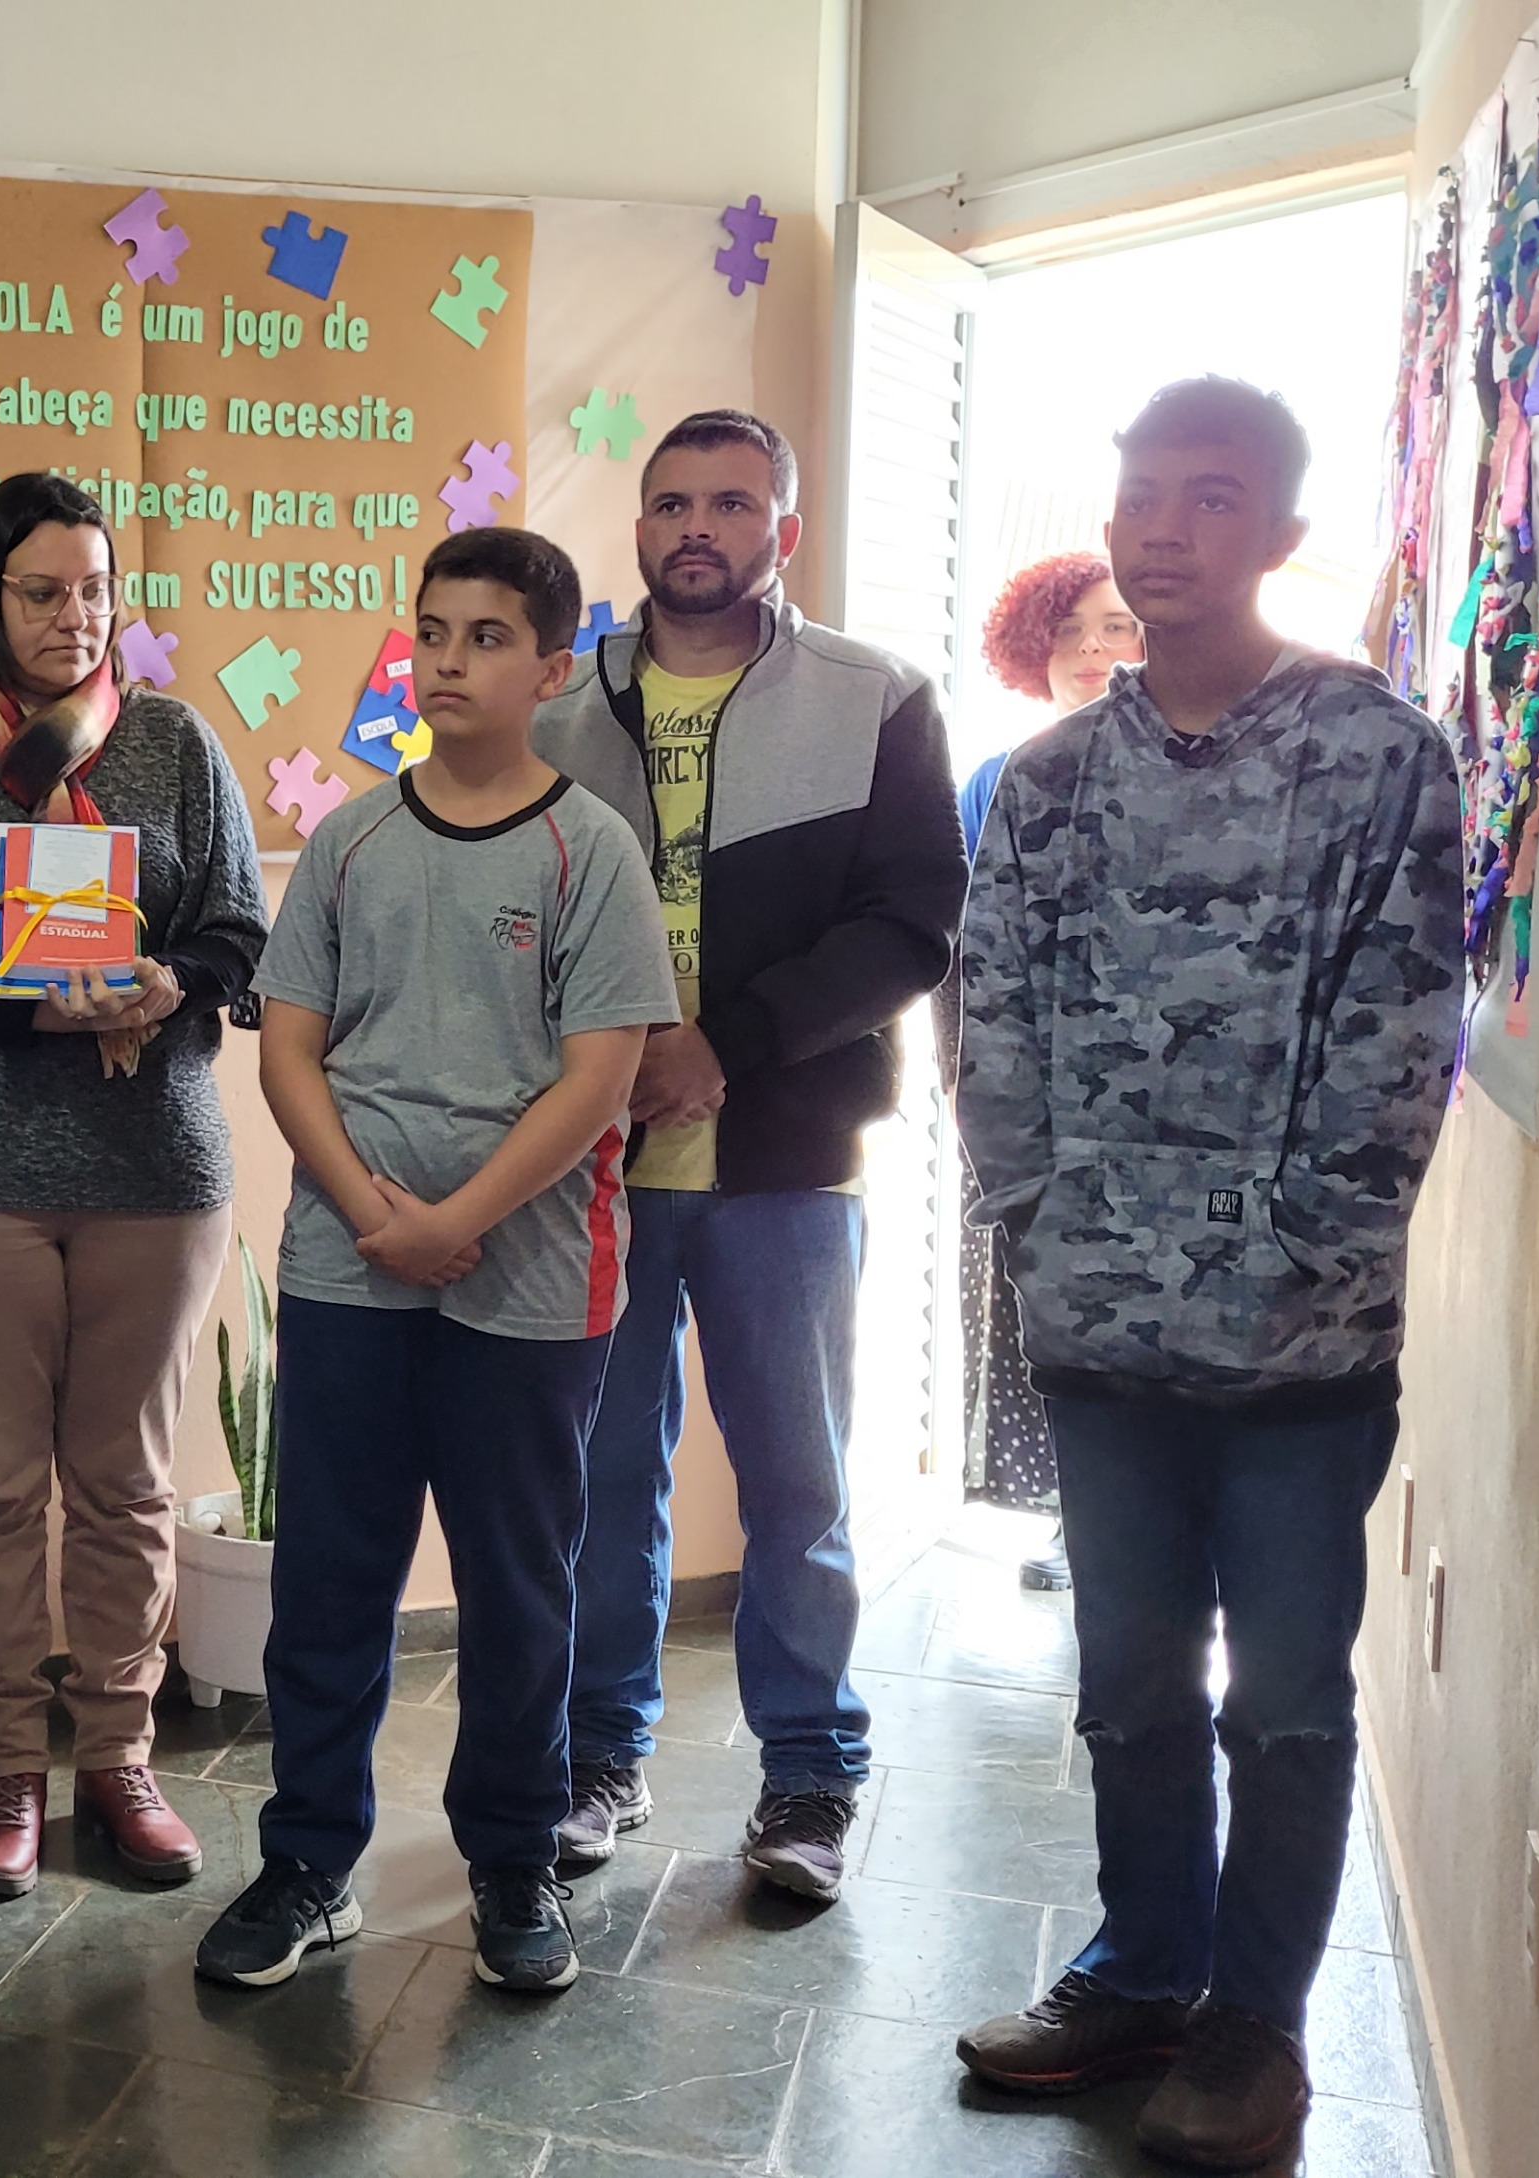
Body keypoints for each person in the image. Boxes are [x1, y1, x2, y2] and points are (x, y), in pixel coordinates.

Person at [952, 378, 1461, 2173]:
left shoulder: (1380, 755)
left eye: (1211, 496)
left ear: (1280, 534)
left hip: (1299, 1354)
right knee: (1133, 1684)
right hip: (1102, 1333)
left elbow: (1399, 1042)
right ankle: (1145, 1971)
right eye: (1140, 494)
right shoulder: (1045, 783)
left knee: (1289, 1704)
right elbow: (993, 1026)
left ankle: (1256, 2026)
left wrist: (1287, 1262)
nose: (1161, 529)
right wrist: (1046, 1229)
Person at [197, 528, 679, 2000]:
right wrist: (378, 1214)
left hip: (530, 1283)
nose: (450, 661)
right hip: (351, 1269)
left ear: (549, 668)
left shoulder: (589, 848)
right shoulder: (351, 841)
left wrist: (459, 1214)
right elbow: (288, 1051)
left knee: (518, 1588)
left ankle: (513, 1861)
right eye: (433, 632)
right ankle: (307, 1862)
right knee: (330, 1577)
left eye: (486, 637)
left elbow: (599, 1076)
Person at [534, 409, 966, 1902]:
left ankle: (810, 1774)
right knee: (600, 1477)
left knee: (797, 1483)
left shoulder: (873, 696)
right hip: (591, 1165)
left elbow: (913, 920)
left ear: (785, 527)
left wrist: (728, 1040)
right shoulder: (560, 702)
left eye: (730, 503)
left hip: (783, 1159)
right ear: (638, 528)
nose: (696, 527)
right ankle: (600, 1755)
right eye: (670, 503)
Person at [0, 473, 270, 1901]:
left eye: (94, 589)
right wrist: (38, 1001)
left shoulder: (176, 742)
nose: (73, 616)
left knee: (127, 1482)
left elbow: (239, 933)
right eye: (41, 590)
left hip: (155, 1168)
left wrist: (168, 979)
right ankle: (7, 1773)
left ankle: (120, 1761)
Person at [957, 551, 1149, 1589]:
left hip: (1157, 1114)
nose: (1089, 650)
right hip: (1031, 1111)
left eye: (1113, 626)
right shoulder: (996, 782)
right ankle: (1079, 1526)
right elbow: (963, 960)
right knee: (1051, 1330)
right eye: (1068, 631)